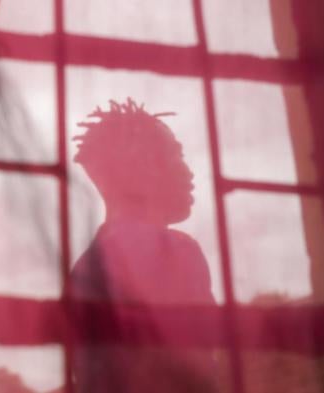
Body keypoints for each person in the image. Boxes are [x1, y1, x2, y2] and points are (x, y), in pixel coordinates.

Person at [70, 98, 218, 392]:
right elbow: (197, 370)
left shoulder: (84, 267)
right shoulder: (176, 249)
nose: (188, 173)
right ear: (140, 167)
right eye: (175, 155)